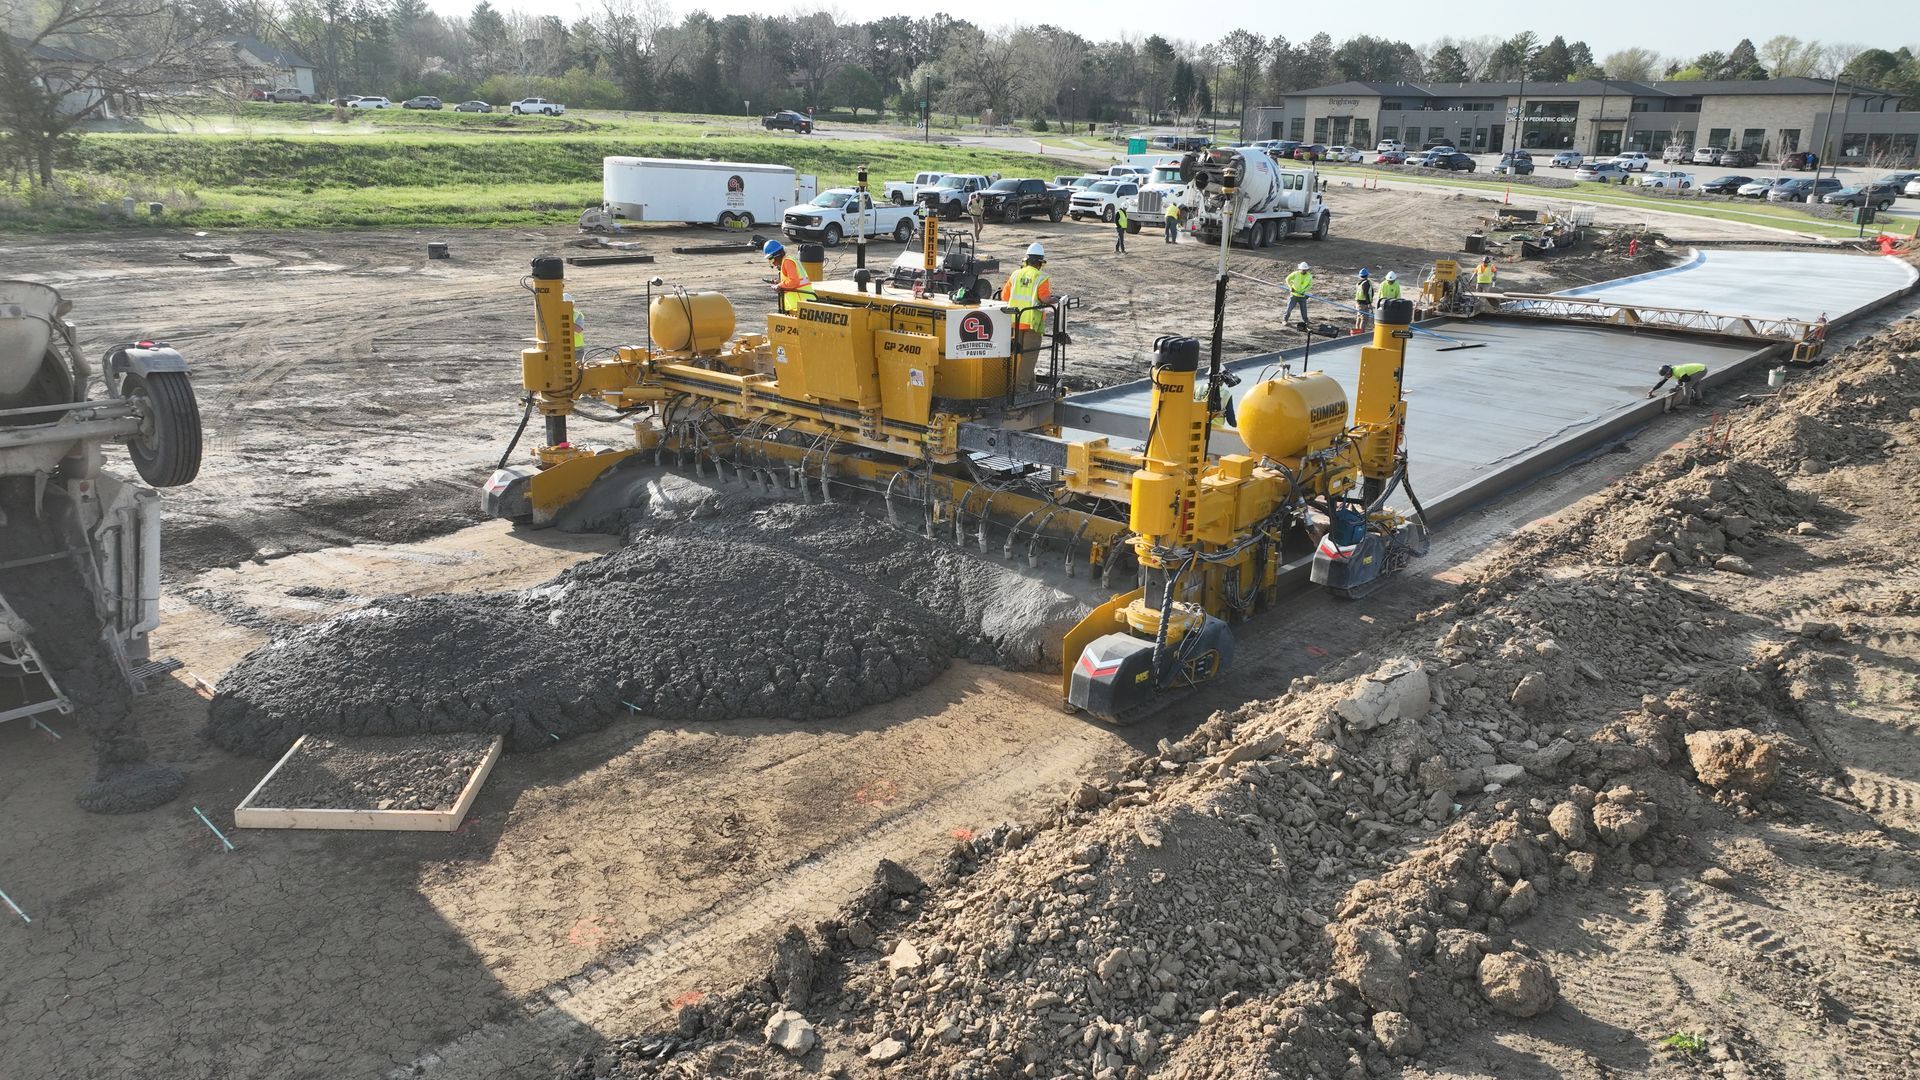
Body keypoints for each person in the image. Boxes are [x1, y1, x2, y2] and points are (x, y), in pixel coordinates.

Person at [999, 243, 1054, 389]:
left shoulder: (1016, 274)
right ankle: (1021, 389)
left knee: (1019, 356)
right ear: (1040, 263)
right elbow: (1044, 299)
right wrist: (1055, 299)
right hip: (1032, 323)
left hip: (1015, 322)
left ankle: (1031, 384)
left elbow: (1005, 296)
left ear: (1026, 260)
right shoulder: (1041, 277)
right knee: (1029, 357)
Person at [763, 239, 815, 313]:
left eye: (771, 260)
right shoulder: (788, 260)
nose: (773, 264)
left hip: (802, 305)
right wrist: (780, 282)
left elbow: (794, 281)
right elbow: (795, 279)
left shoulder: (787, 262)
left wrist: (779, 285)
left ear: (776, 256)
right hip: (803, 304)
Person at [1285, 261, 1312, 325]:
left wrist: (1304, 291)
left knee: (1304, 310)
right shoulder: (1295, 274)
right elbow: (1287, 279)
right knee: (1289, 308)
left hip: (1302, 296)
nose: (1304, 271)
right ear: (1300, 269)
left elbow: (1310, 285)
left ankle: (1306, 321)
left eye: (1305, 270)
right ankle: (1285, 320)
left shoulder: (1309, 276)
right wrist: (1290, 287)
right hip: (1294, 295)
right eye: (1303, 270)